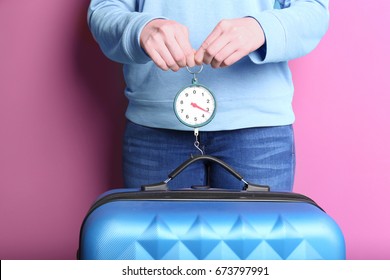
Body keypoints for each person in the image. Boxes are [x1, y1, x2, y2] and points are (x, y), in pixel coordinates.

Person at [87, 0, 329, 191]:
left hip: (259, 128)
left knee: (259, 252)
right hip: (155, 128)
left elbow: (313, 11)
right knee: (158, 252)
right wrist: (140, 29)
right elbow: (104, 9)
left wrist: (262, 28)